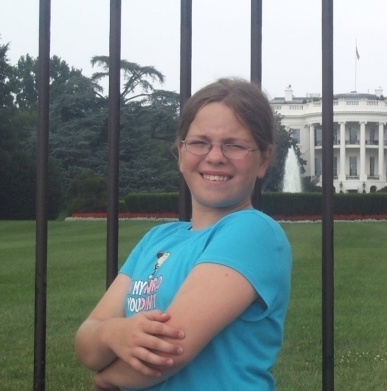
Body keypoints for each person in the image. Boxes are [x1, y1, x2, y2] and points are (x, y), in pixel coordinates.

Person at [75, 78, 292, 390]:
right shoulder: (157, 239)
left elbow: (166, 354)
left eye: (234, 145)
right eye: (200, 142)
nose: (215, 156)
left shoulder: (254, 232)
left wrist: (106, 377)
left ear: (264, 159)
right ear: (180, 153)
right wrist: (113, 333)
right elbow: (86, 341)